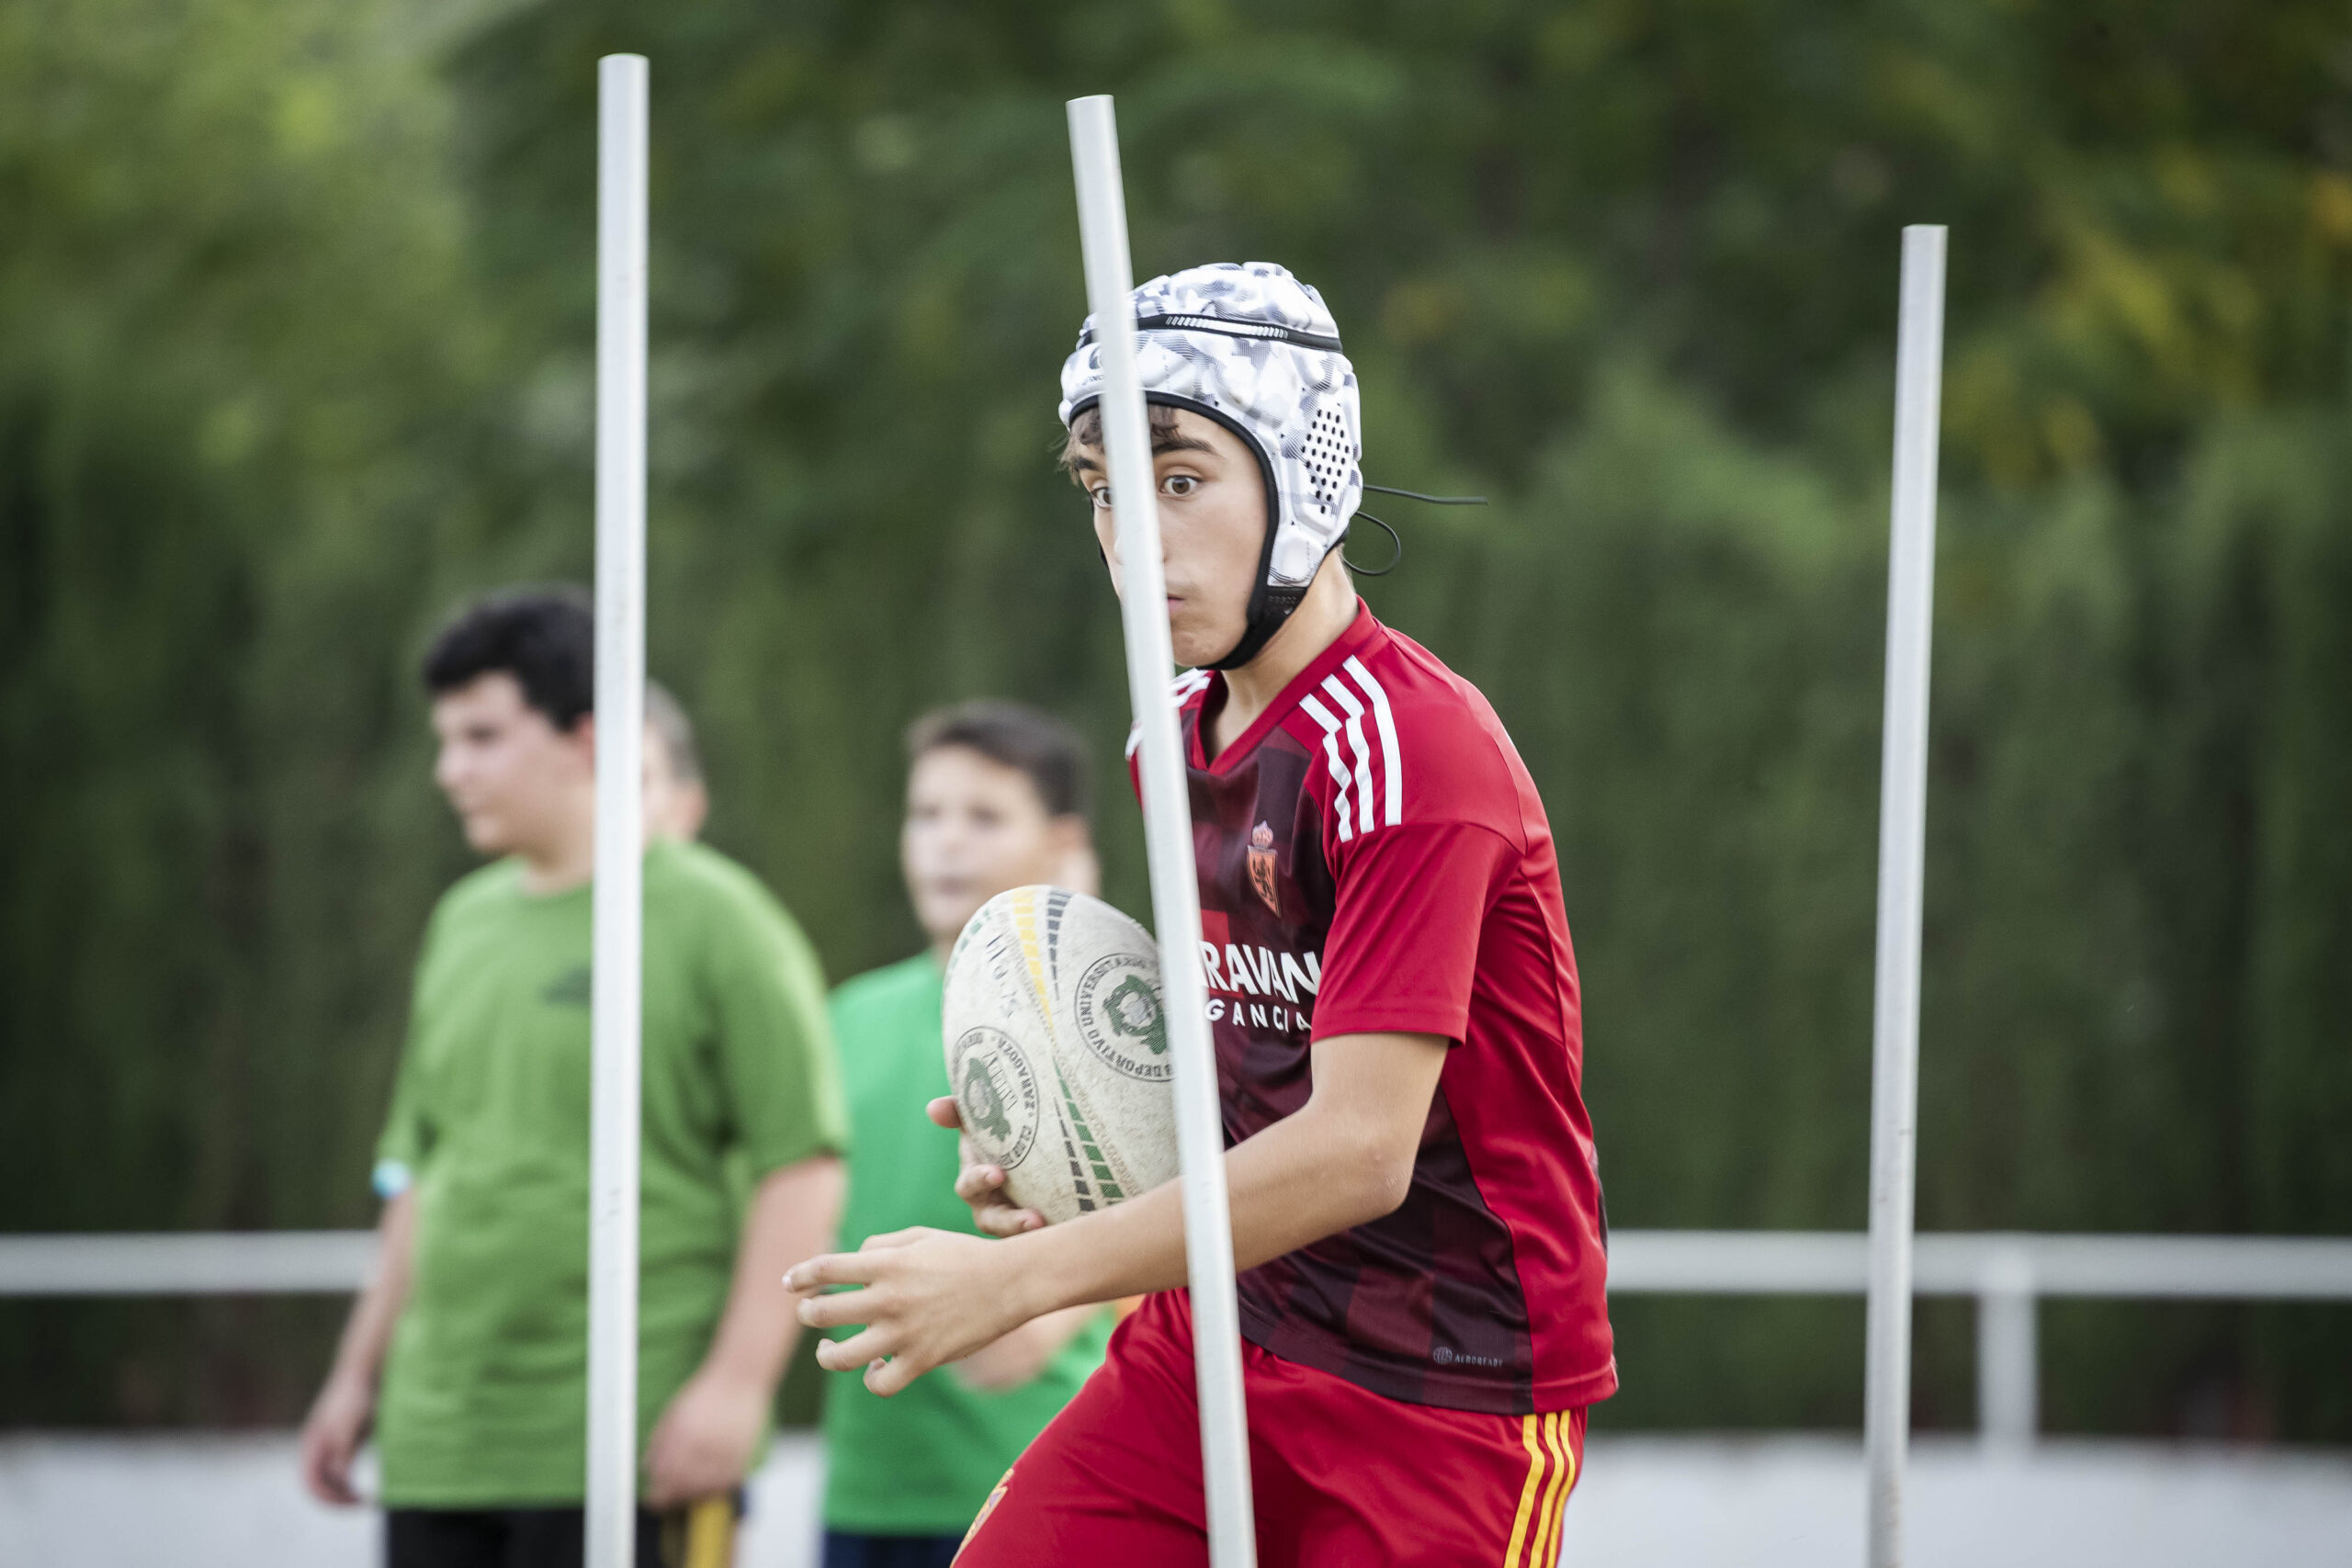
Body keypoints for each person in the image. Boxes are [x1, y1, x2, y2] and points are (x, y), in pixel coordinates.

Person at [787, 263, 1615, 1567]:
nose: (1132, 532)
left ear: (1307, 475)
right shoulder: (1169, 734)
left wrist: (1015, 1281)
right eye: (1102, 489)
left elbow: (1356, 1150)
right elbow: (1249, 1072)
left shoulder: (1411, 747)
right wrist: (1074, 1141)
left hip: (1437, 1388)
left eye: (1179, 479)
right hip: (1213, 1337)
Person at [298, 586, 847, 1568]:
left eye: (480, 737)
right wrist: (356, 1377)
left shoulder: (721, 918)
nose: (447, 770)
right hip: (438, 1449)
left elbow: (800, 1167)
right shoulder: (459, 923)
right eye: (445, 739)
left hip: (630, 1450)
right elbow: (419, 1173)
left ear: (584, 741)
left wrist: (734, 1387)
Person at [820, 701, 1116, 1568]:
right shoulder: (848, 1015)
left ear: (1063, 840)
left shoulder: (1101, 1035)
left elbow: (1020, 1347)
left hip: (1032, 1475)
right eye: (927, 814)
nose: (946, 841)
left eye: (984, 817)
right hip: (865, 1485)